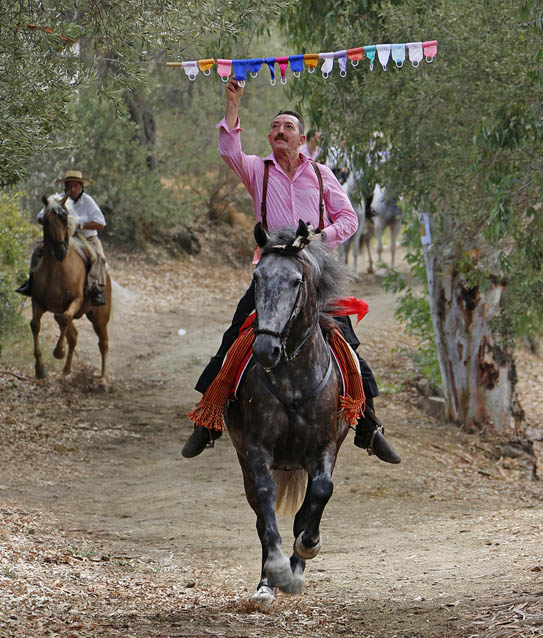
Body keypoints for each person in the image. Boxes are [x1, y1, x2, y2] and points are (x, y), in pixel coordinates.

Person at [182, 77, 400, 465]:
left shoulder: (322, 175)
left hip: (314, 277)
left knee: (347, 347)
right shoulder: (257, 170)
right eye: (274, 127)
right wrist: (233, 104)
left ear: (301, 139)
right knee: (234, 339)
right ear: (269, 137)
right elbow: (230, 150)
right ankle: (209, 420)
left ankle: (368, 426)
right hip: (271, 276)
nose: (279, 131)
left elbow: (348, 220)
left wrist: (319, 237)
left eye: (288, 127)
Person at [16, 169, 108, 307]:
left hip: (87, 238)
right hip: (63, 236)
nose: (73, 188)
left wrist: (78, 224)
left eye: (76, 185)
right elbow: (39, 216)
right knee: (38, 251)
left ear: (81, 186)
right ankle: (31, 283)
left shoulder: (88, 201)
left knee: (98, 257)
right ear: (65, 186)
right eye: (69, 185)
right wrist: (52, 222)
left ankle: (96, 289)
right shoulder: (57, 199)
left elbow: (101, 224)